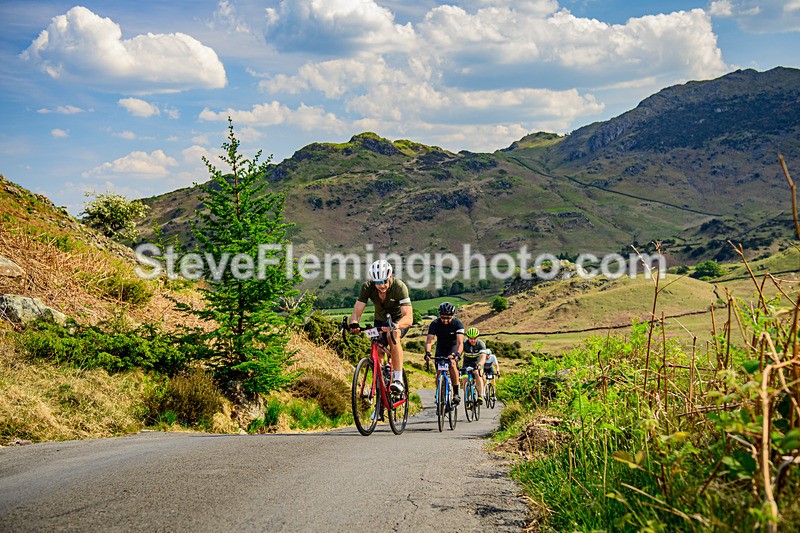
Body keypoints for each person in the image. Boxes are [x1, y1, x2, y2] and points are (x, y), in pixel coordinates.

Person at [348, 259, 413, 394]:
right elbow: (357, 311)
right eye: (378, 282)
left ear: (390, 277)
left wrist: (396, 325)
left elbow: (408, 317)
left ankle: (398, 379)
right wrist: (354, 323)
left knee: (392, 335)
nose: (382, 285)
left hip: (398, 321)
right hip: (380, 321)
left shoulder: (399, 287)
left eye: (384, 281)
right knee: (376, 345)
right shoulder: (367, 287)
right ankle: (380, 382)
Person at [423, 302, 464, 405]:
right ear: (440, 315)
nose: (445, 320)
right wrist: (428, 352)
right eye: (443, 317)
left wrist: (458, 354)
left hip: (452, 347)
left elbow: (460, 343)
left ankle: (455, 393)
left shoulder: (457, 323)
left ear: (453, 316)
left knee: (452, 364)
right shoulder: (435, 324)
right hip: (440, 348)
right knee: (439, 371)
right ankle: (439, 392)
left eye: (448, 318)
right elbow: (429, 341)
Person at [461, 327, 488, 405]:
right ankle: (467, 398)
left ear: (477, 337)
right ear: (468, 338)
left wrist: (480, 365)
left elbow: (483, 357)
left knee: (477, 373)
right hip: (466, 363)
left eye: (474, 338)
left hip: (477, 363)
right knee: (465, 380)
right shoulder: (464, 344)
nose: (473, 340)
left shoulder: (481, 344)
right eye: (470, 338)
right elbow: (459, 354)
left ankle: (480, 395)